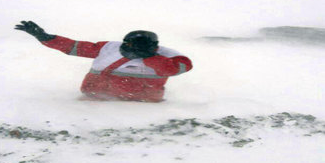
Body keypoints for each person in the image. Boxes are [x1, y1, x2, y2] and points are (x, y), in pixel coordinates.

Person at [15, 21, 192, 102]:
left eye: (141, 46)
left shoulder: (169, 55)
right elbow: (73, 47)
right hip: (95, 99)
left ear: (155, 46)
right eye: (131, 45)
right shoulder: (108, 48)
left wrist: (150, 58)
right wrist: (45, 37)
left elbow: (177, 68)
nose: (133, 50)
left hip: (145, 106)